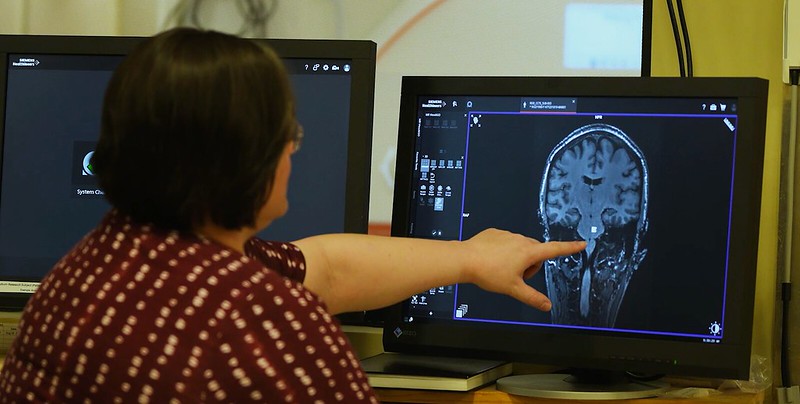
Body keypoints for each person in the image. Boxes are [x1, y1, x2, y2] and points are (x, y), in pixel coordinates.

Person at [0, 28, 585, 403]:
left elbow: (323, 269)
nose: (295, 148)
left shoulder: (82, 272)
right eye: (290, 136)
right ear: (248, 161)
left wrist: (470, 258)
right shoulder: (268, 328)